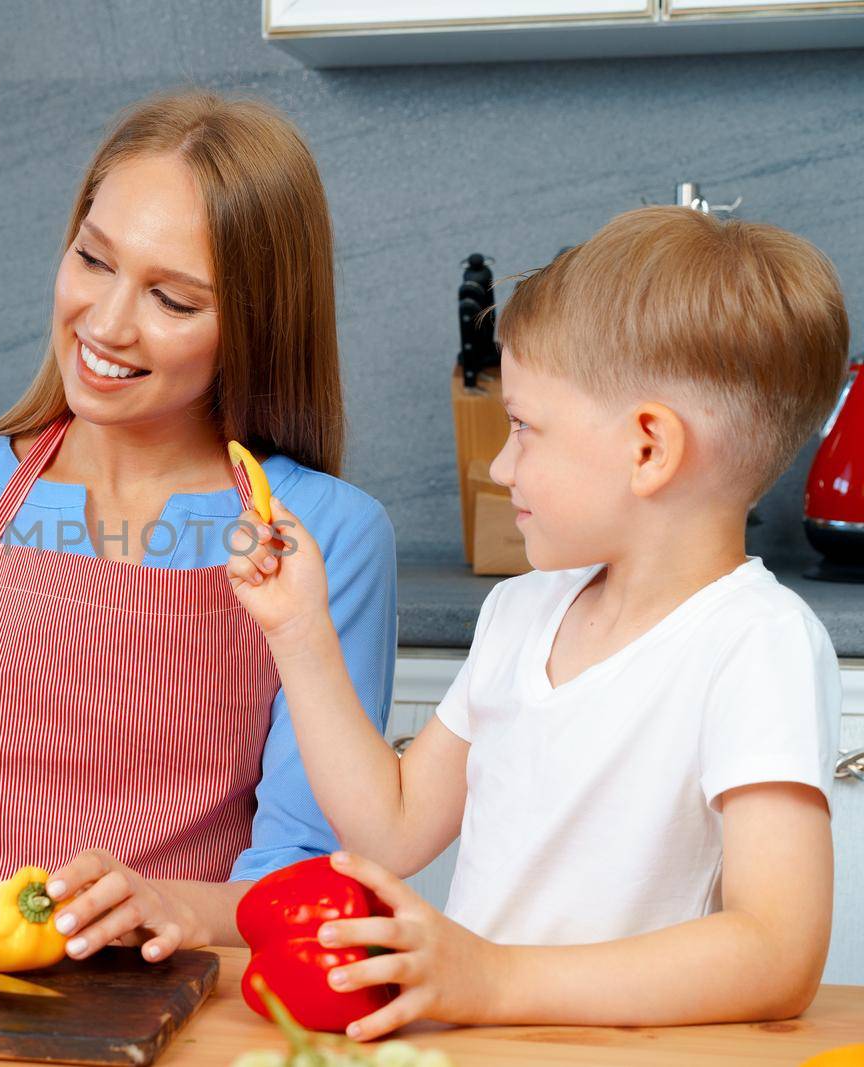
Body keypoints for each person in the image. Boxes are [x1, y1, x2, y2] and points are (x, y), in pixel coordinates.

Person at [0, 90, 398, 964]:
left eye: (174, 299)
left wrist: (174, 908)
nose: (108, 322)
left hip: (195, 1009)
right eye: (94, 259)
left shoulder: (323, 536)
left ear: (255, 324)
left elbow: (305, 880)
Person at [228, 206, 846, 1039]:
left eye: (524, 426)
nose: (500, 463)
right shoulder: (521, 612)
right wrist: (299, 632)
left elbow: (778, 953)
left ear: (648, 449)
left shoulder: (755, 644)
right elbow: (391, 826)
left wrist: (496, 977)